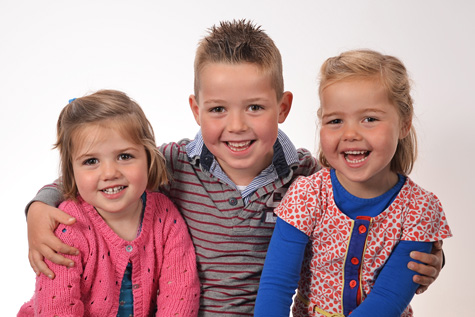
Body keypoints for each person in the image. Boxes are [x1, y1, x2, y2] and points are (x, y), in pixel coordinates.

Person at [25, 21, 444, 316]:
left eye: (256, 108)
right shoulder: (174, 164)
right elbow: (102, 174)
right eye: (218, 109)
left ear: (283, 107)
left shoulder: (307, 177)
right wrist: (39, 207)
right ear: (196, 109)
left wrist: (429, 258)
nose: (236, 126)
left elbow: (368, 209)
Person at [254, 49, 452, 317]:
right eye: (335, 120)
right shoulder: (306, 195)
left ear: (404, 123)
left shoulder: (420, 208)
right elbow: (276, 286)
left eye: (369, 119)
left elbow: (388, 299)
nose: (350, 134)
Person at [19, 90, 200, 316]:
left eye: (125, 156)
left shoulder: (165, 216)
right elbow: (57, 307)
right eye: (91, 161)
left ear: (148, 157)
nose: (110, 173)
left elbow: (180, 294)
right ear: (71, 171)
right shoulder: (69, 225)